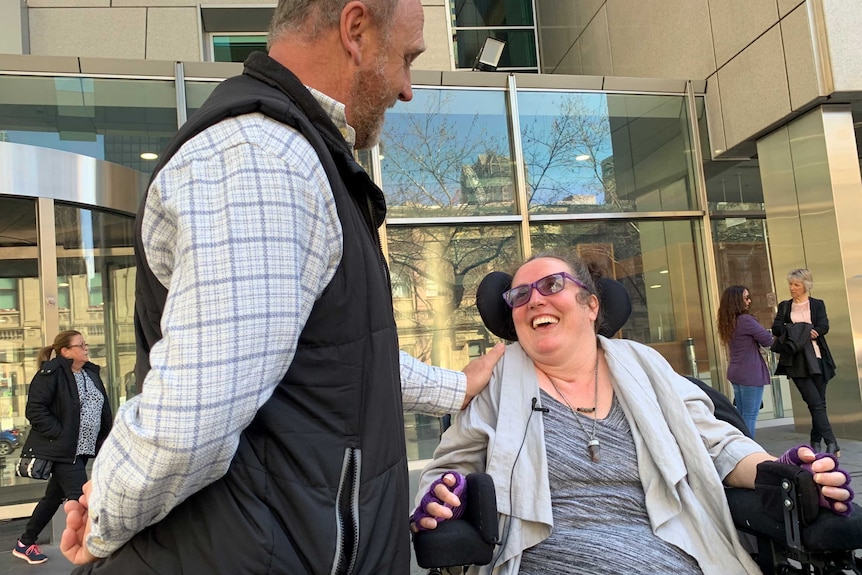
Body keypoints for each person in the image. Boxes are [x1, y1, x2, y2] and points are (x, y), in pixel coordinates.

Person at [60, 0, 504, 573]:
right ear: (356, 29)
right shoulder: (264, 161)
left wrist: (455, 386)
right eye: (405, 59)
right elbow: (194, 418)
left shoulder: (296, 157)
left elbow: (337, 353)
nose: (407, 87)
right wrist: (103, 521)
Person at [412, 253, 852, 575]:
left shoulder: (644, 365)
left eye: (551, 286)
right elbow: (449, 470)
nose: (534, 301)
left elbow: (719, 445)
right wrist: (445, 498)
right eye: (520, 294)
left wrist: (785, 471)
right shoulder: (499, 381)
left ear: (590, 305)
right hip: (544, 559)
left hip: (672, 553)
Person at [13, 330, 112, 565]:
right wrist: (61, 434)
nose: (85, 348)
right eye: (80, 345)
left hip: (82, 450)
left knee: (52, 498)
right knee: (84, 501)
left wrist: (105, 437)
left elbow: (102, 408)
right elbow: (35, 410)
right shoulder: (52, 373)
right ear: (65, 351)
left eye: (85, 344)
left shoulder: (90, 373)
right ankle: (98, 556)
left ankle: (25, 543)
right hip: (63, 451)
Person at [771, 268, 838, 456]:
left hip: (818, 358)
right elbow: (776, 328)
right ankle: (832, 443)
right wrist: (797, 332)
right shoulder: (785, 306)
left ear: (805, 286)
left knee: (819, 403)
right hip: (796, 361)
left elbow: (824, 325)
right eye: (790, 284)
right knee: (815, 403)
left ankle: (815, 441)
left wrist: (813, 332)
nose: (792, 288)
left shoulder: (817, 304)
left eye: (796, 285)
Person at [717, 286, 774, 438]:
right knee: (750, 415)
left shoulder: (728, 321)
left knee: (742, 415)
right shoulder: (745, 320)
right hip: (750, 372)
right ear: (737, 301)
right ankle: (750, 450)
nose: (749, 301)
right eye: (746, 298)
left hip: (736, 372)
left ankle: (741, 447)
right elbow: (768, 340)